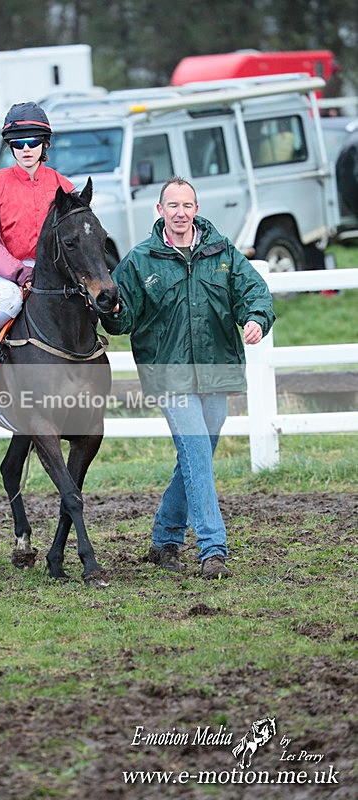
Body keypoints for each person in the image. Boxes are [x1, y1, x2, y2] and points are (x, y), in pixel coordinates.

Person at [99, 177, 275, 579]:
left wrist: (254, 319)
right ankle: (213, 549)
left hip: (217, 369)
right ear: (159, 211)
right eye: (172, 205)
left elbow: (255, 292)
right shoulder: (140, 260)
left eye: (187, 205)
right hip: (168, 373)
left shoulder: (222, 251)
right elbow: (122, 319)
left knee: (196, 458)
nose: (180, 212)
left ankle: (165, 536)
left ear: (196, 209)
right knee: (196, 452)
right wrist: (109, 310)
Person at [0, 102, 74, 395]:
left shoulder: (64, 187)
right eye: (18, 144)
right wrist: (19, 272)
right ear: (11, 147)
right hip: (7, 273)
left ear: (45, 145)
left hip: (54, 273)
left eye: (33, 142)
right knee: (8, 303)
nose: (26, 149)